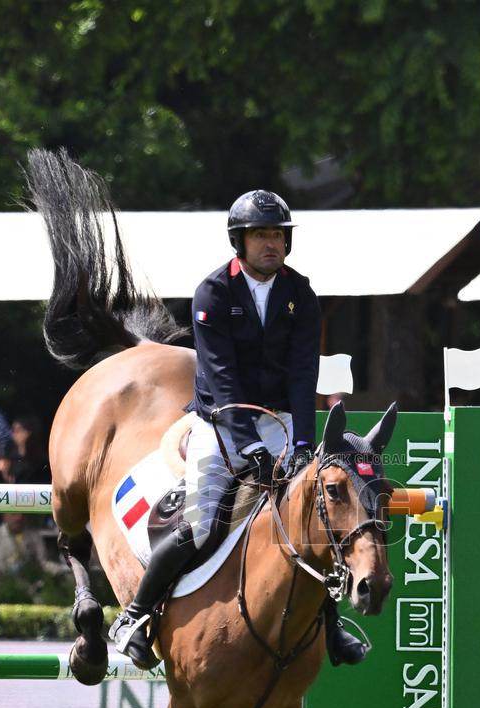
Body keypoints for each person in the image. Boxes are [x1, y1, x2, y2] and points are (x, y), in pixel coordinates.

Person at [110, 189, 366, 670]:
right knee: (202, 523)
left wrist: (303, 443)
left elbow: (302, 374)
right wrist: (251, 445)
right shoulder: (213, 292)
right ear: (239, 241)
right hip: (221, 423)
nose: (271, 244)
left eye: (278, 235)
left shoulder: (300, 294)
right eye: (260, 235)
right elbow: (222, 376)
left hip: (281, 422)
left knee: (310, 518)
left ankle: (332, 629)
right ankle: (135, 616)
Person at [0, 512, 64, 588]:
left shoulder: (34, 536)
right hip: (0, 584)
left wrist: (57, 571)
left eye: (22, 514)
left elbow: (42, 562)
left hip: (30, 584)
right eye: (14, 514)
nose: (19, 518)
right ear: (4, 516)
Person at [10, 414, 51, 484]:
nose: (12, 435)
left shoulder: (44, 465)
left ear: (29, 433)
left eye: (17, 430)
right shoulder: (11, 462)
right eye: (13, 431)